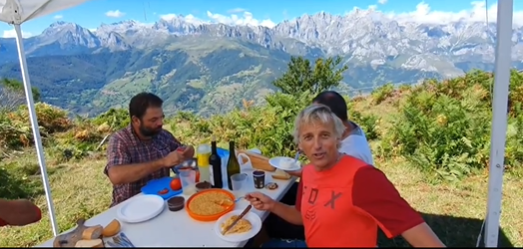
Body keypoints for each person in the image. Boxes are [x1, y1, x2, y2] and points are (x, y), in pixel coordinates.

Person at [249, 104, 445, 247]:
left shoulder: (362, 177)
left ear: (338, 138)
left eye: (324, 135)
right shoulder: (308, 173)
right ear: (300, 144)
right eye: (308, 137)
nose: (317, 145)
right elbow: (303, 216)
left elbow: (414, 229)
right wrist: (272, 205)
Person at [265, 90, 375, 241]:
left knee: (269, 221)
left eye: (318, 115)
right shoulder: (351, 130)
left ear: (334, 122)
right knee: (287, 193)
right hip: (326, 201)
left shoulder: (353, 157)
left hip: (334, 225)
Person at [104, 92, 194, 207]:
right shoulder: (120, 140)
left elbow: (182, 159)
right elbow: (116, 175)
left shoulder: (163, 135)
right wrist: (162, 162)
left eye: (161, 118)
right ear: (136, 120)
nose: (160, 123)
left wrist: (188, 151)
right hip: (129, 206)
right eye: (153, 120)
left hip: (162, 201)